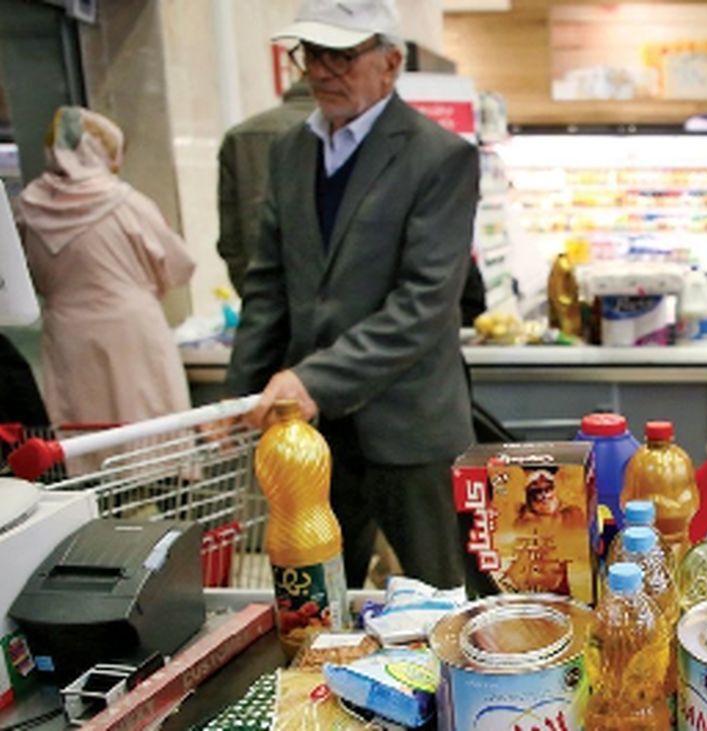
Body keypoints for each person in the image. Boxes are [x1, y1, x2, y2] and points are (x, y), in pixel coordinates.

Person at [225, 0, 479, 589]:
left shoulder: (439, 157)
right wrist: (241, 391)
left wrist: (313, 381)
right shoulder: (291, 152)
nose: (321, 70)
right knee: (317, 594)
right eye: (312, 54)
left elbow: (424, 304)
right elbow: (269, 286)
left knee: (440, 594)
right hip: (313, 437)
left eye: (341, 55)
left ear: (391, 63)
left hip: (410, 427)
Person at [14, 106, 194, 427]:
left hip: (68, 333)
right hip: (132, 330)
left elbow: (25, 277)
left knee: (86, 429)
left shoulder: (27, 208)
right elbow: (180, 265)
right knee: (147, 427)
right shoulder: (125, 203)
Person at [217, 80, 316, 296]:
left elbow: (230, 238)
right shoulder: (343, 129)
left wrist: (249, 290)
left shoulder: (240, 136)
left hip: (262, 287)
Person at [515, 469, 585, 529]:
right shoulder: (523, 523)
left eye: (548, 489)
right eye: (537, 491)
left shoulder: (573, 514)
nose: (544, 495)